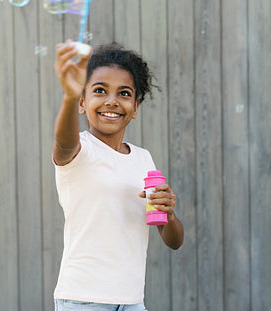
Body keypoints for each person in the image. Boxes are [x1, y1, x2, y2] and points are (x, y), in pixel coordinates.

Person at [52, 40, 184, 311]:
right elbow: (63, 144)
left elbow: (173, 241)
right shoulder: (79, 150)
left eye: (124, 94)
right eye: (100, 91)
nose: (111, 101)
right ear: (82, 102)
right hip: (83, 299)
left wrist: (169, 215)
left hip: (132, 301)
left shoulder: (143, 159)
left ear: (135, 108)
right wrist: (67, 96)